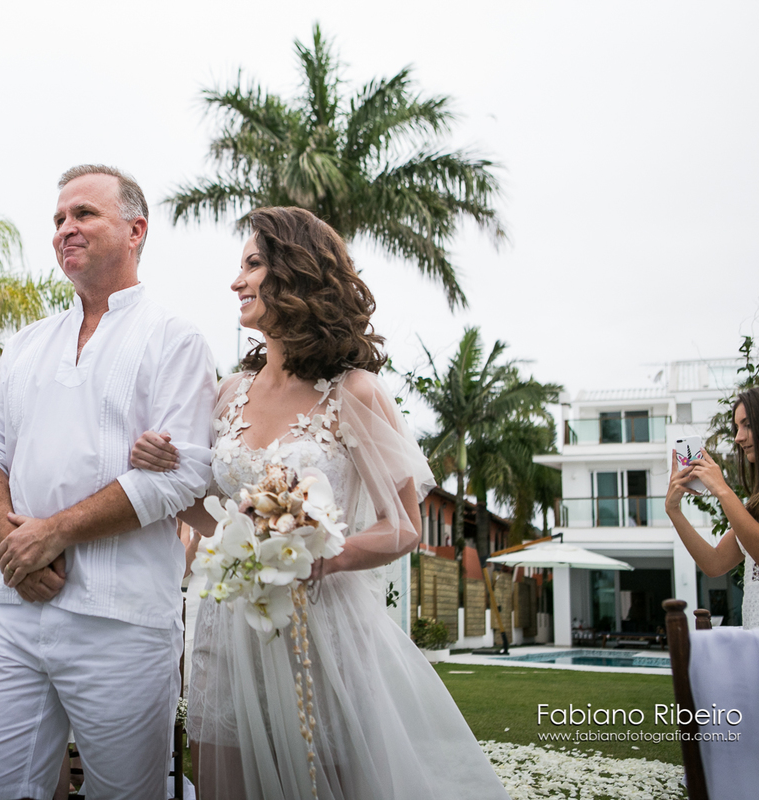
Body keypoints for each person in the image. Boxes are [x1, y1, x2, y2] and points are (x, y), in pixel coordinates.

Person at [130, 207, 511, 799]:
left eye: (252, 265)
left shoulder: (354, 392)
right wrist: (165, 467)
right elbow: (207, 514)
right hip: (229, 629)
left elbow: (403, 527)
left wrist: (318, 555)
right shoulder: (228, 393)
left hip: (321, 630)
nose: (236, 282)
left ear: (297, 272)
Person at [0, 164, 217, 799]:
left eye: (84, 214)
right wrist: (16, 549)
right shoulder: (26, 344)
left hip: (122, 618)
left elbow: (181, 475)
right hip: (15, 607)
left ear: (136, 230)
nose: (65, 229)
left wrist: (53, 533)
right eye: (58, 219)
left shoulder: (175, 339)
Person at [667, 386, 759, 628]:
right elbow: (714, 563)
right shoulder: (756, 505)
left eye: (748, 425)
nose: (738, 437)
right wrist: (673, 510)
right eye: (737, 428)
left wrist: (722, 490)